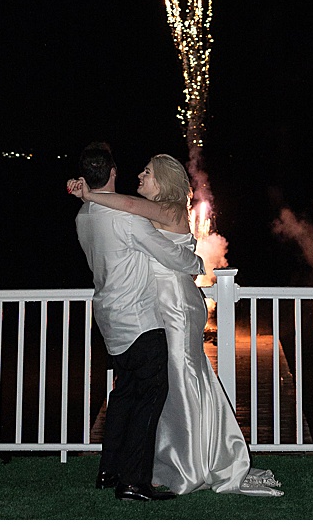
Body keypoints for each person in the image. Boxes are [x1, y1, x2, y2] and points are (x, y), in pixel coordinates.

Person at [69, 153, 283, 497]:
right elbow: (125, 207)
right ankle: (174, 456)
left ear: (165, 182)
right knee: (173, 380)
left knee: (181, 377)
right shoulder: (143, 208)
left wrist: (90, 194)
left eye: (148, 172)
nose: (140, 175)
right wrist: (90, 193)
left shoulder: (169, 209)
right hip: (159, 304)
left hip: (176, 304)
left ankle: (189, 464)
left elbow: (122, 205)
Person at [71, 141, 203, 502]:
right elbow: (167, 253)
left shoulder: (83, 216)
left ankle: (108, 469)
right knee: (149, 396)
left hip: (109, 318)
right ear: (113, 173)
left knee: (124, 395)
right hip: (140, 318)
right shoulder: (127, 219)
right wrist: (197, 264)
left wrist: (86, 196)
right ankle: (133, 481)